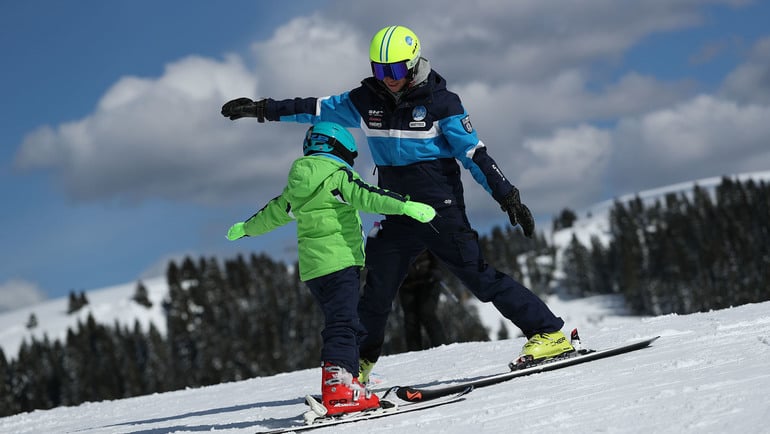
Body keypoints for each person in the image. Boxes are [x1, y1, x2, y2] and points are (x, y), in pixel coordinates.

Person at [221, 25, 573, 385]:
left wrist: (507, 195)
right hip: (395, 210)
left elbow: (474, 155)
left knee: (479, 277)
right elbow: (314, 109)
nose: (388, 78)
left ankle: (548, 333)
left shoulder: (442, 103)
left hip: (439, 210)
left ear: (414, 64)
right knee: (377, 291)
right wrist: (262, 109)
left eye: (395, 69)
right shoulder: (365, 100)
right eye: (379, 69)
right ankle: (357, 365)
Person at [224, 121, 436, 415]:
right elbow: (368, 195)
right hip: (339, 261)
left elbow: (272, 214)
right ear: (341, 149)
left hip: (314, 271)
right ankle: (339, 388)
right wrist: (405, 206)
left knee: (345, 320)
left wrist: (246, 228)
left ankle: (348, 379)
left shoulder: (296, 188)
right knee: (343, 323)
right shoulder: (337, 177)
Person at [398, 250, 446, 351]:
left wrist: (436, 270)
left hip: (428, 280)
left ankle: (441, 348)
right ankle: (414, 353)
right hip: (406, 284)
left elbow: (437, 250)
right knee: (410, 320)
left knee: (427, 313)